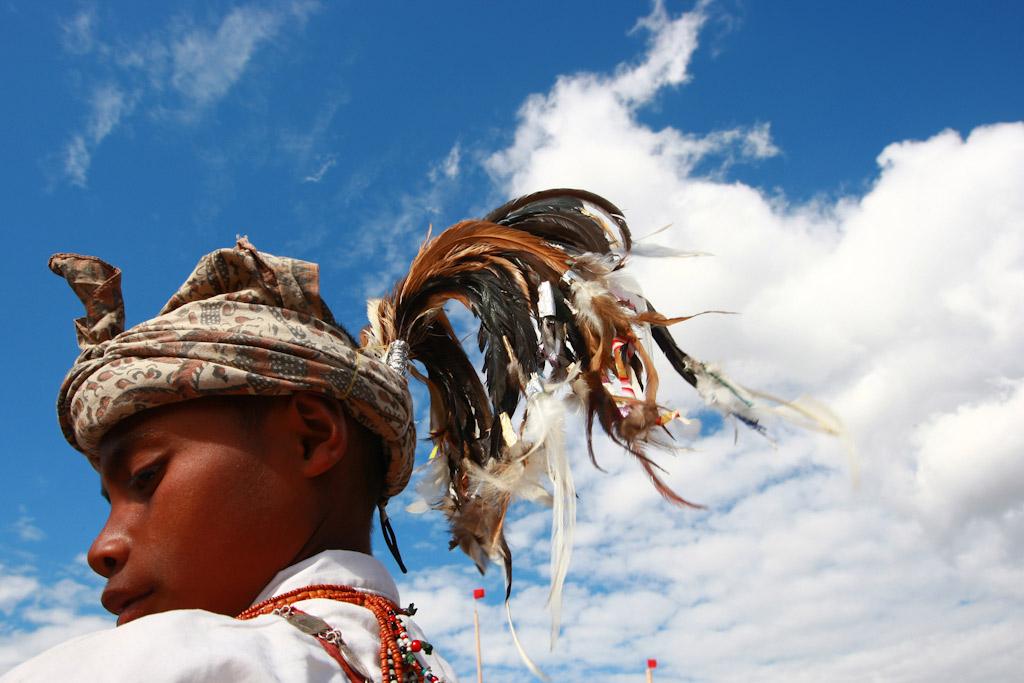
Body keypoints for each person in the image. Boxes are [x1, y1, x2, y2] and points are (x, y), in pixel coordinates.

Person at [4, 189, 834, 682]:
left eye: (145, 476)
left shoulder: (193, 662)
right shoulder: (400, 658)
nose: (102, 546)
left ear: (309, 438)